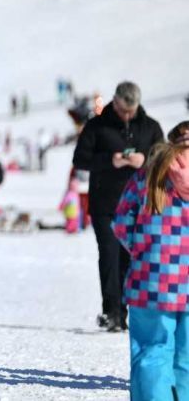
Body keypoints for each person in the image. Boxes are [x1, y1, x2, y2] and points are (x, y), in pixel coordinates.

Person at [72, 81, 164, 332]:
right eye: (123, 110)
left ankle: (133, 311)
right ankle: (112, 312)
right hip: (106, 204)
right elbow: (80, 159)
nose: (127, 115)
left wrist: (145, 160)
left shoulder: (150, 127)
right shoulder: (96, 126)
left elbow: (164, 158)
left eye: (131, 111)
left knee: (133, 259)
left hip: (140, 205)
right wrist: (109, 161)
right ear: (115, 102)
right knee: (110, 256)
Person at [112, 121, 189, 398]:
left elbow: (121, 222)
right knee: (186, 359)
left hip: (151, 281)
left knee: (152, 352)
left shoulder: (148, 175)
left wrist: (144, 251)